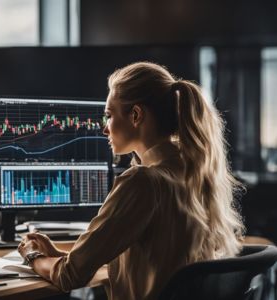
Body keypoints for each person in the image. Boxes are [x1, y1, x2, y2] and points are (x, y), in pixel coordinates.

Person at [18, 62, 244, 300]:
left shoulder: (142, 182)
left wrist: (33, 256)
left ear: (136, 115)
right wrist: (63, 254)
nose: (105, 129)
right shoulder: (193, 173)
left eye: (108, 115)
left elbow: (69, 276)